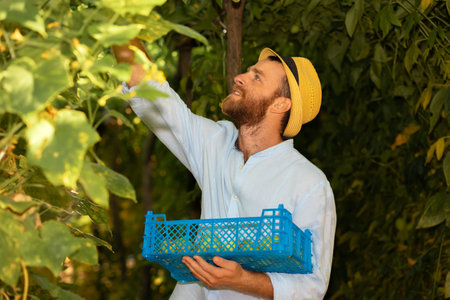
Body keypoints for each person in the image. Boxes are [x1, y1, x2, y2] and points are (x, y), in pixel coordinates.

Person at [113, 39, 336, 300]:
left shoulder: (309, 183)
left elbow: (312, 287)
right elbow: (154, 95)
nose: (240, 77)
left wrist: (243, 280)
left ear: (280, 104)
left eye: (257, 78)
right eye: (248, 71)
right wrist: (116, 18)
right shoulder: (213, 142)